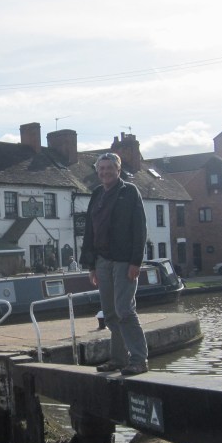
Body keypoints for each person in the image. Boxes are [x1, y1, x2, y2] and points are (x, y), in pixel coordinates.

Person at [79, 152, 149, 375]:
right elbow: (90, 231)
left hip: (124, 261)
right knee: (110, 313)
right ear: (97, 171)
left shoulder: (130, 192)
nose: (105, 172)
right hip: (102, 260)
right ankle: (118, 359)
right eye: (101, 168)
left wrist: (136, 261)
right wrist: (91, 265)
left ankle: (139, 359)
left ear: (118, 170)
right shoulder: (97, 193)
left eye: (109, 168)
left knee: (124, 311)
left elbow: (140, 228)